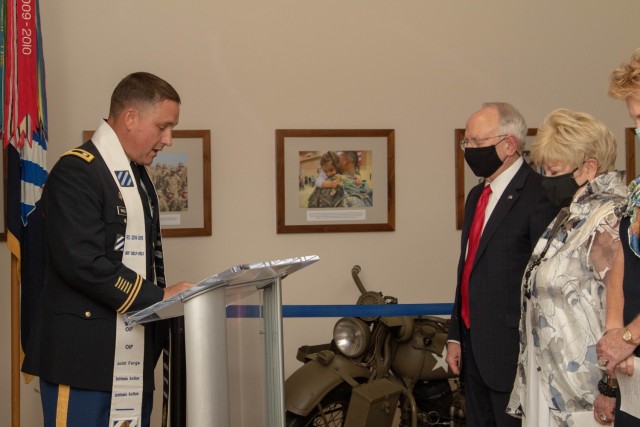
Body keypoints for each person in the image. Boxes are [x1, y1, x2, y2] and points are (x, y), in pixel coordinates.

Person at [22, 72, 193, 427]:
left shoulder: (135, 178)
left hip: (130, 358)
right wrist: (158, 296)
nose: (168, 139)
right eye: (163, 126)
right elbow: (81, 262)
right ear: (130, 117)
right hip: (82, 361)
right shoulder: (76, 172)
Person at [506, 108, 626, 426]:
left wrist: (609, 387)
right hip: (550, 384)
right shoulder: (570, 214)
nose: (545, 178)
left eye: (553, 169)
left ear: (589, 167)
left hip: (586, 394)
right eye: (542, 168)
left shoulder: (610, 220)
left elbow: (621, 309)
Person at [446, 102, 558, 427]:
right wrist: (456, 335)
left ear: (509, 144)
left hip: (513, 352)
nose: (469, 150)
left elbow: (545, 279)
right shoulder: (475, 196)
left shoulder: (539, 195)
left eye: (477, 142)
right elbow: (468, 269)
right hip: (472, 350)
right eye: (466, 142)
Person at [596, 48, 640, 427]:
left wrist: (629, 335)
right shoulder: (638, 188)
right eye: (634, 119)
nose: (637, 127)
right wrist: (616, 335)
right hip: (633, 367)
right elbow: (621, 262)